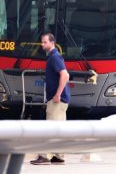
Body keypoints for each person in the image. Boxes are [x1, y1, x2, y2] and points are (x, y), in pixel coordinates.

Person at [30, 33, 70, 165]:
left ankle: (45, 156)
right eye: (42, 42)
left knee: (50, 127)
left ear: (52, 43)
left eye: (45, 42)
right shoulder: (55, 57)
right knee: (59, 128)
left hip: (57, 100)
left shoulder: (54, 57)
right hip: (61, 99)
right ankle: (58, 155)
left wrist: (57, 94)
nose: (42, 45)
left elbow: (65, 75)